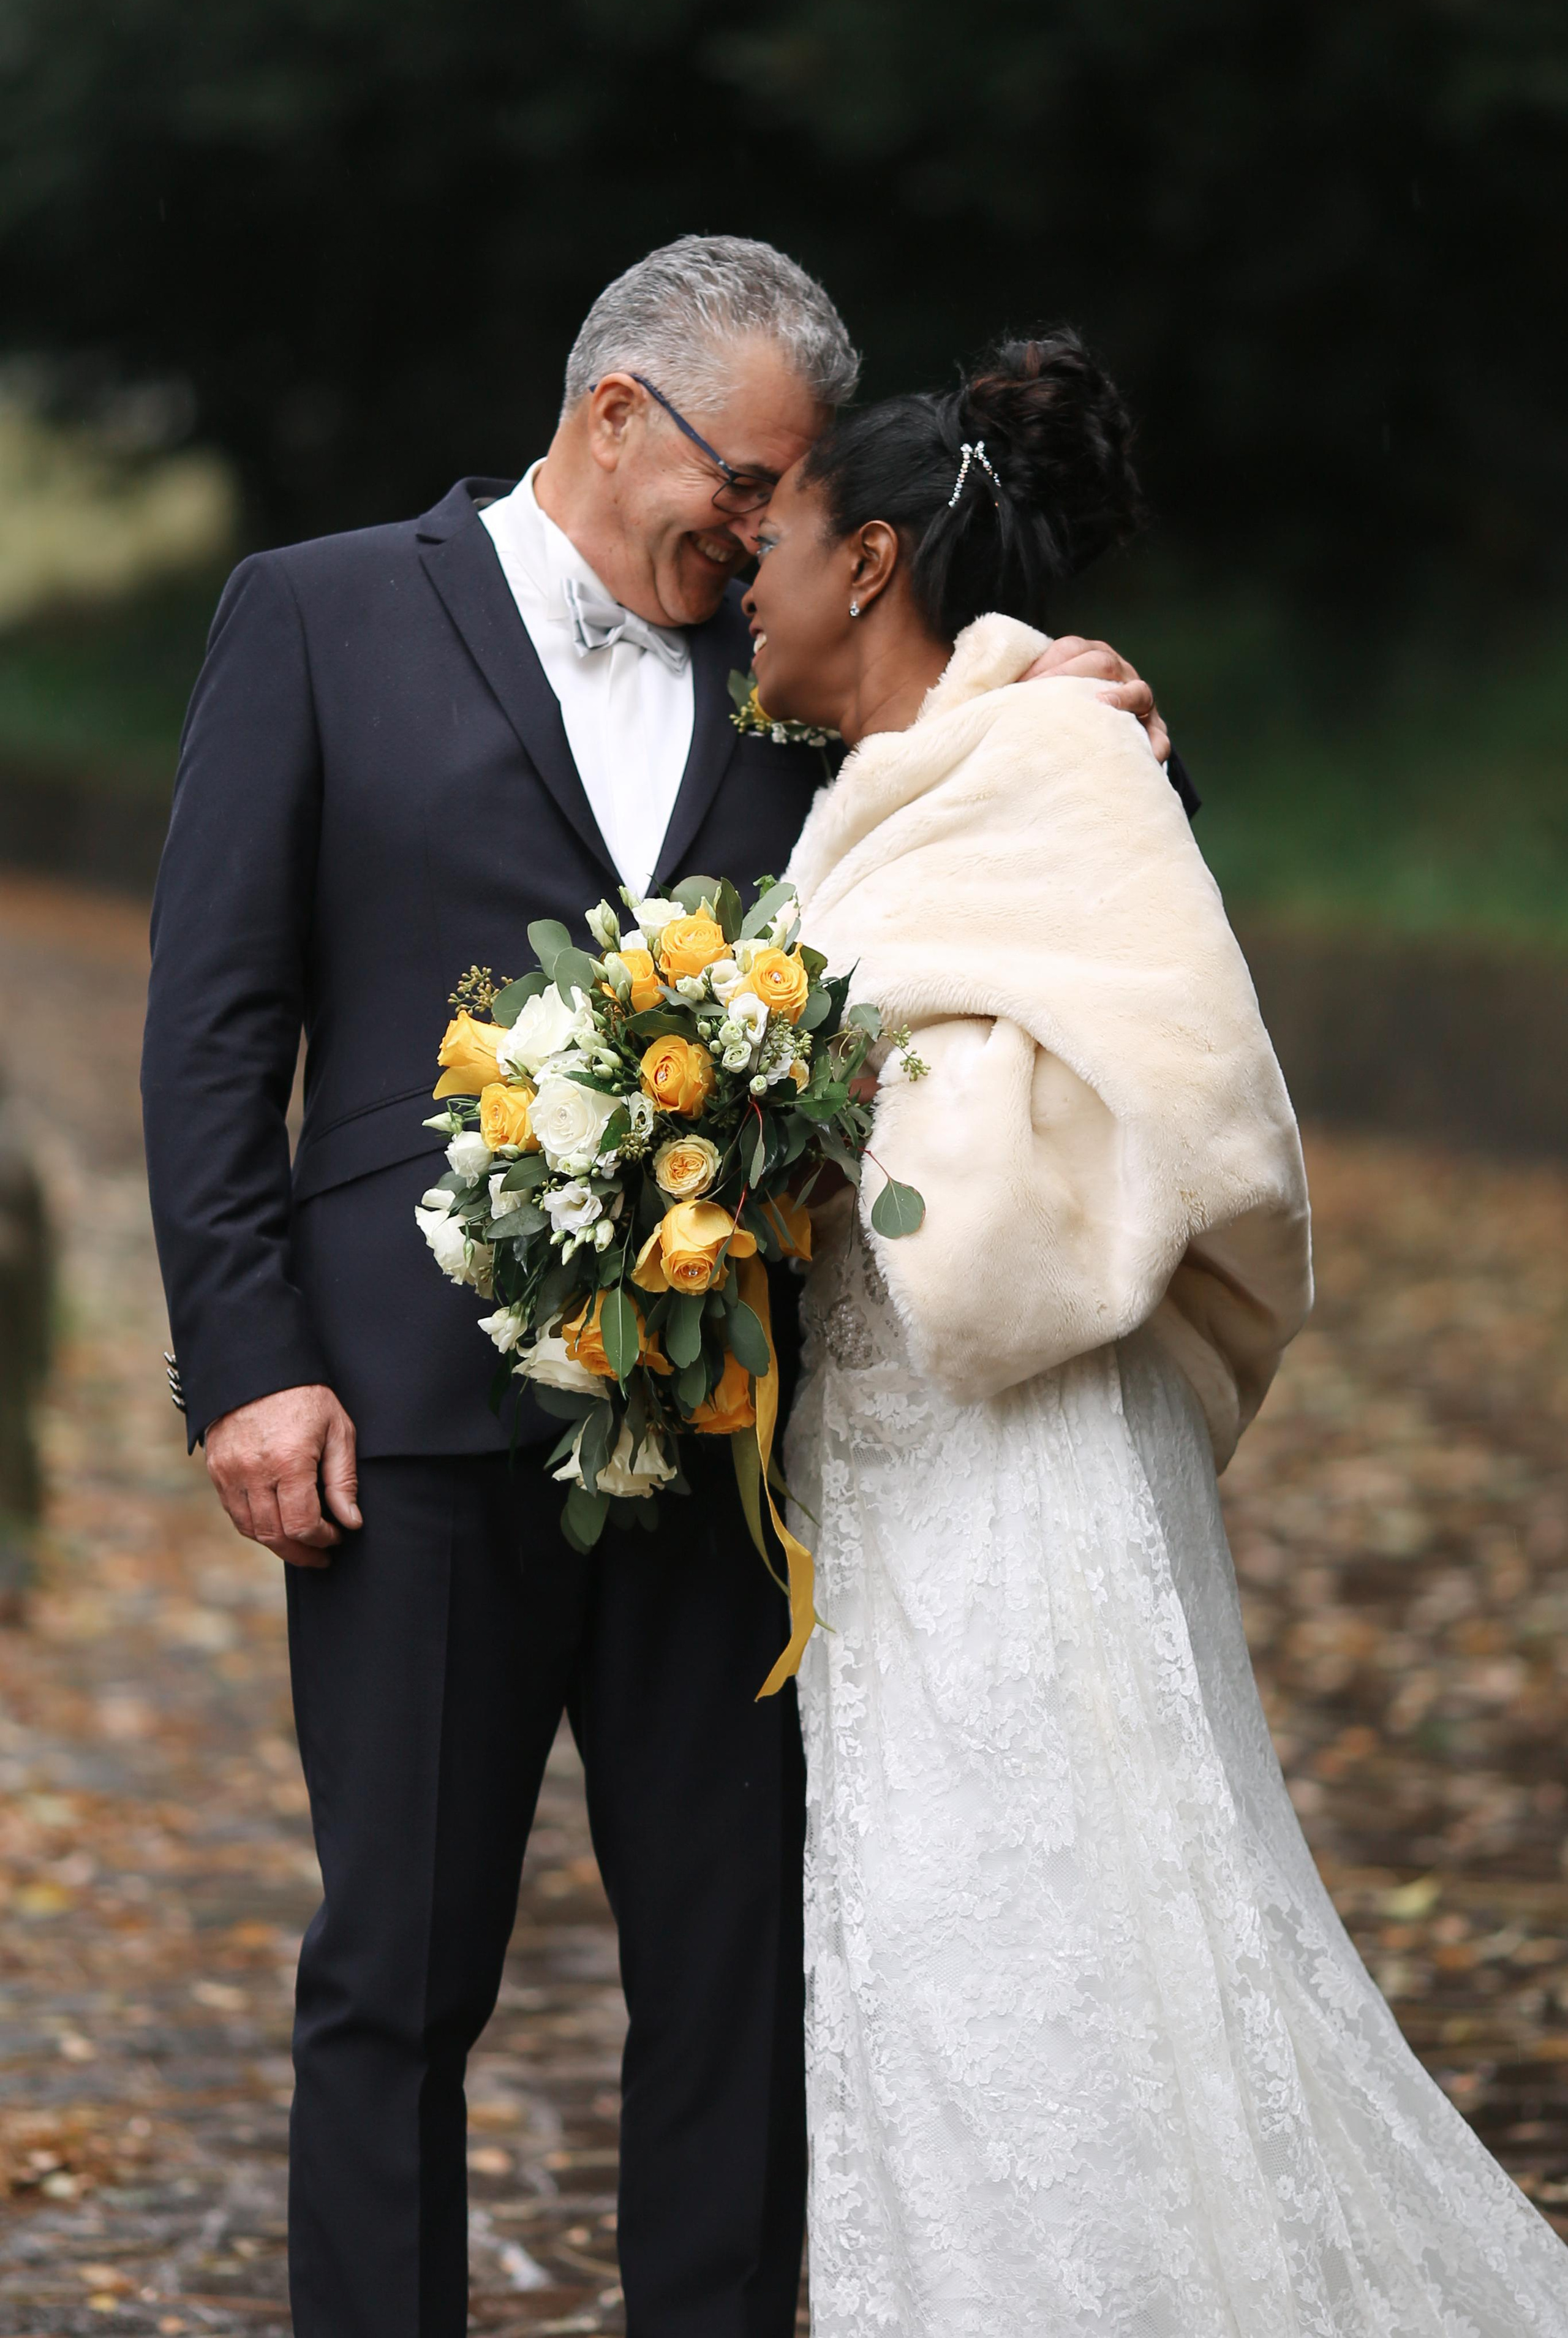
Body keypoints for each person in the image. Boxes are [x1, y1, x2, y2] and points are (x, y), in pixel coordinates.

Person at [138, 239, 1175, 2338]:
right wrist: (248, 1366)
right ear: (619, 414)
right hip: (406, 1422)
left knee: (736, 1971)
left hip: (731, 1437)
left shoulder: (779, 665)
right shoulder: (320, 614)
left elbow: (987, 841)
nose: (763, 527)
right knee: (397, 1972)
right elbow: (214, 1032)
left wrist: (1080, 707)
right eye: (746, 479)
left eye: (791, 506)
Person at [745, 334, 1568, 2335]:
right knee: (924, 1948)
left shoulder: (1058, 752)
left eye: (768, 542)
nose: (736, 586)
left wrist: (840, 1105)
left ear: (865, 564)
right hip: (873, 1471)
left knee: (1064, 1923)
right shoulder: (866, 794)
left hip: (1022, 1452)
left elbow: (1178, 1075)